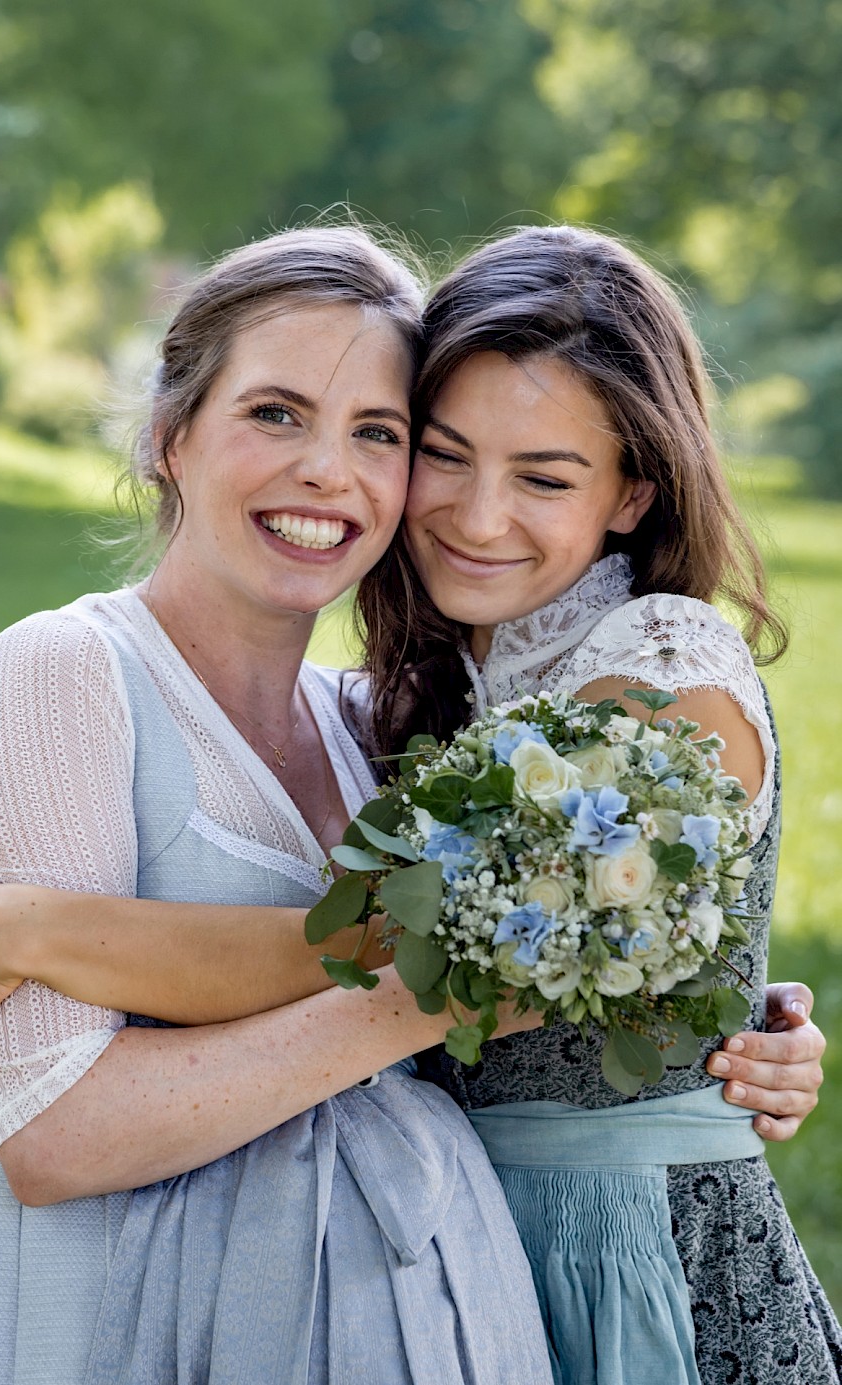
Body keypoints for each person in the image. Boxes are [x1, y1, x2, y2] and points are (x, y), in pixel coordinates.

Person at [0, 224, 826, 1379]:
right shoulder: (100, 674)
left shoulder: (422, 713)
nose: (333, 470)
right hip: (126, 1314)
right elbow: (59, 1126)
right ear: (170, 435)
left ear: (632, 491)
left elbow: (462, 952)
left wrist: (34, 930)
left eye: (375, 432)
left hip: (555, 1280)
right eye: (277, 413)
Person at [355, 224, 842, 1383]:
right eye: (444, 452)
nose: (476, 517)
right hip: (460, 1238)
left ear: (631, 492)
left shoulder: (662, 660)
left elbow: (396, 954)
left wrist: (41, 931)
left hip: (622, 1258)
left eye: (543, 475)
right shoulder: (454, 681)